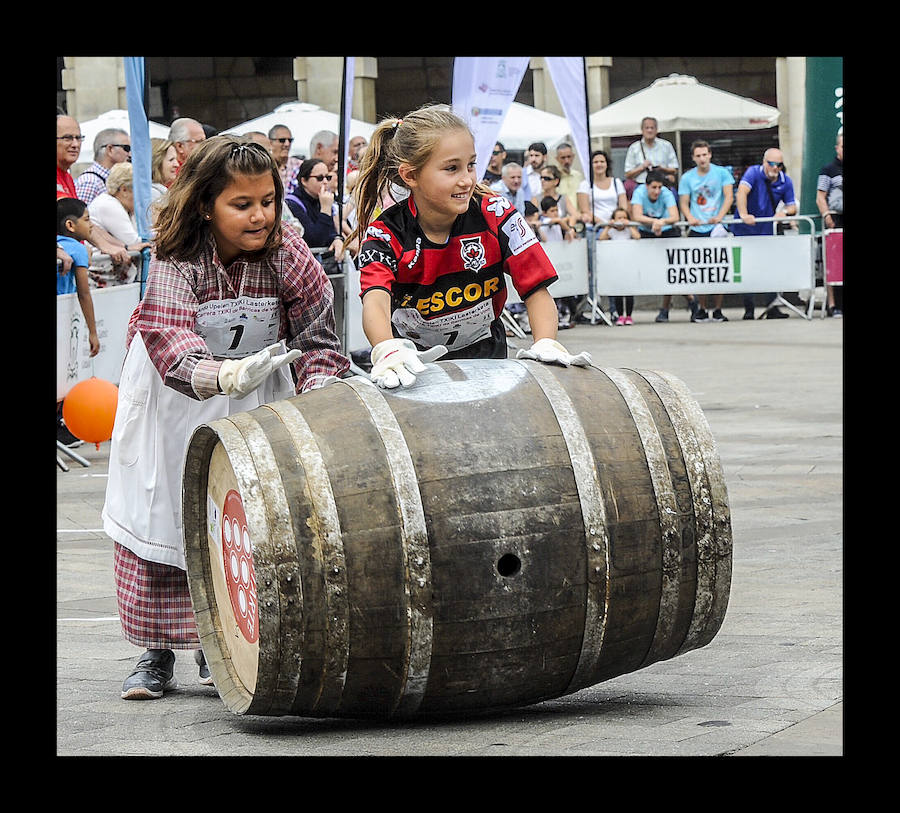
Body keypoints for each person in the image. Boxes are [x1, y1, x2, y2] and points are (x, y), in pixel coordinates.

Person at [102, 136, 350, 701]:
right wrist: (218, 376)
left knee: (242, 519)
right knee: (164, 512)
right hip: (175, 398)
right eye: (242, 205)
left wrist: (318, 396)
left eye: (267, 200)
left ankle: (225, 645)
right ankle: (155, 652)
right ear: (207, 204)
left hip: (258, 394)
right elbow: (169, 339)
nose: (260, 215)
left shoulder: (290, 253)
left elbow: (317, 339)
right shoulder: (179, 255)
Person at [349, 105, 592, 388]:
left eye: (471, 165)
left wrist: (546, 342)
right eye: (451, 168)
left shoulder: (498, 213)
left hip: (488, 363)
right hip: (414, 372)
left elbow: (536, 288)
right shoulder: (384, 232)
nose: (467, 180)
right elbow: (375, 301)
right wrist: (385, 349)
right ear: (410, 176)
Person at [731, 148, 797, 319]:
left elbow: (792, 205)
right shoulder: (753, 173)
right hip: (745, 230)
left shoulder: (785, 180)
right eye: (772, 164)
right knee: (746, 269)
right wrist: (744, 214)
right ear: (764, 162)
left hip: (766, 231)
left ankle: (772, 307)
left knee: (770, 268)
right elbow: (742, 193)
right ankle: (749, 308)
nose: (775, 168)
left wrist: (784, 213)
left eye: (779, 165)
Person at [57, 114, 130, 265]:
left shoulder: (67, 177)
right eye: (67, 138)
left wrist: (120, 246)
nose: (75, 144)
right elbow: (78, 219)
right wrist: (106, 246)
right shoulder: (89, 180)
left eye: (78, 138)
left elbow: (85, 221)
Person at [678, 140, 735, 322]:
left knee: (719, 269)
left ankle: (717, 309)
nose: (702, 159)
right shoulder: (687, 178)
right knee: (700, 271)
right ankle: (702, 308)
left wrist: (720, 216)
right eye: (698, 156)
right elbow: (684, 202)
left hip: (717, 226)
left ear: (710, 154)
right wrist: (690, 218)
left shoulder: (722, 173)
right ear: (694, 158)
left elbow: (728, 196)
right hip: (698, 226)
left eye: (705, 154)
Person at [633, 170, 698, 323]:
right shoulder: (639, 193)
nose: (657, 191)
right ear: (646, 186)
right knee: (657, 271)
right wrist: (654, 222)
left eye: (659, 188)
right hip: (647, 233)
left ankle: (665, 309)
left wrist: (661, 222)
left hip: (668, 232)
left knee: (671, 272)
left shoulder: (666, 194)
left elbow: (674, 216)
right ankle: (690, 298)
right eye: (653, 187)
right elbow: (636, 215)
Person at [87, 162, 152, 283]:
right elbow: (135, 241)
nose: (142, 196)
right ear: (124, 189)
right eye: (138, 190)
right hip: (101, 276)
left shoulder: (124, 206)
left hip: (112, 275)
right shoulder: (108, 204)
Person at [57, 198, 100, 356]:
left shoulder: (61, 245)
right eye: (87, 219)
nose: (91, 225)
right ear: (70, 225)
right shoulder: (77, 249)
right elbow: (84, 293)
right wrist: (93, 332)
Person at [285, 158, 345, 261]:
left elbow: (330, 232)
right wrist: (325, 210)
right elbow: (314, 240)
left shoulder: (321, 200)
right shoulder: (292, 203)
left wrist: (336, 239)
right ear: (304, 181)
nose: (325, 182)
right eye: (320, 178)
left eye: (328, 177)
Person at [596, 207, 640, 325]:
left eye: (625, 217)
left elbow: (637, 237)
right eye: (619, 218)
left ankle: (629, 316)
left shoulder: (629, 230)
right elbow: (601, 238)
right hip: (616, 265)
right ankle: (620, 315)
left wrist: (630, 225)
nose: (622, 220)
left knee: (629, 292)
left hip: (628, 264)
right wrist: (608, 226)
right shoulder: (612, 231)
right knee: (618, 292)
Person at [816, 132, 843, 317]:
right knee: (835, 264)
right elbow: (820, 196)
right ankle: (833, 304)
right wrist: (827, 215)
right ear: (837, 148)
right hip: (836, 221)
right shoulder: (828, 169)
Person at [623, 117, 679, 198]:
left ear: (656, 129)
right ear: (642, 130)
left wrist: (662, 168)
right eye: (647, 128)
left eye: (652, 128)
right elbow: (628, 174)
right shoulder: (634, 148)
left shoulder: (666, 146)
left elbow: (675, 170)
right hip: (642, 186)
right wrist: (642, 167)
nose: (649, 130)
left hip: (662, 186)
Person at [75, 128, 131, 205]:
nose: (130, 154)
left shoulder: (105, 178)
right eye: (127, 148)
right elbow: (79, 215)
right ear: (110, 149)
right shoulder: (90, 182)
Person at [576, 150, 628, 227]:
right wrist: (604, 224)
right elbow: (585, 210)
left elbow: (623, 207)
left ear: (607, 164)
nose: (599, 164)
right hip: (594, 228)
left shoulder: (617, 182)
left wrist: (616, 221)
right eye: (595, 162)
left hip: (616, 226)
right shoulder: (585, 185)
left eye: (602, 161)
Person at [268, 123, 302, 196]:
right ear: (270, 143)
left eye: (290, 140)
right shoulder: (264, 166)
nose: (287, 144)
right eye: (282, 140)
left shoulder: (300, 165)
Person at [553, 142, 583, 216]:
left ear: (573, 156)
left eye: (569, 157)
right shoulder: (552, 177)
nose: (566, 161)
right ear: (557, 159)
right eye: (563, 158)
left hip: (578, 218)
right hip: (560, 219)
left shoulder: (578, 176)